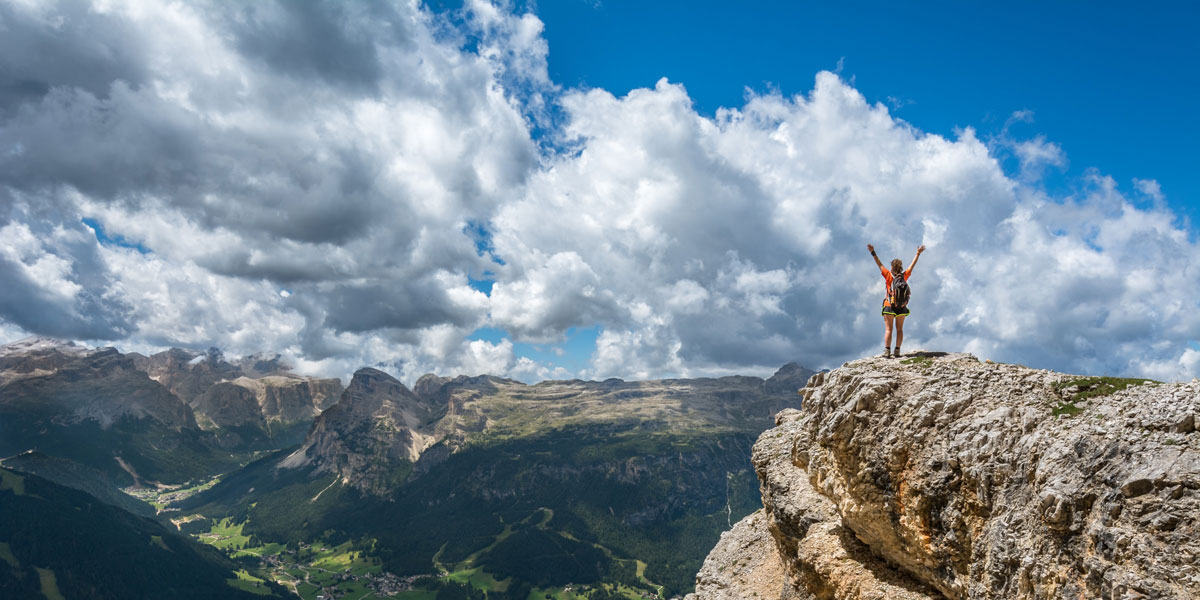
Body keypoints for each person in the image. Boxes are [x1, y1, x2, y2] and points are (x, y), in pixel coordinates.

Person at [867, 243, 925, 358]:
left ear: (892, 267)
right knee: (900, 329)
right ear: (901, 267)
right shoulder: (904, 276)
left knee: (889, 329)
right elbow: (912, 266)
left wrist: (873, 252)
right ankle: (897, 350)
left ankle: (887, 351)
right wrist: (917, 254)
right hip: (902, 307)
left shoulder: (888, 275)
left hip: (889, 305)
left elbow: (879, 264)